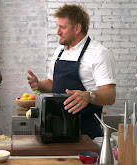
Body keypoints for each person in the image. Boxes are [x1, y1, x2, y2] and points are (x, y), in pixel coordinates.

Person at [27, 4, 116, 139]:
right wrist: (39, 84)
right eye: (57, 26)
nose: (57, 32)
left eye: (62, 27)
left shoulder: (99, 53)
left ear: (77, 28)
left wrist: (89, 95)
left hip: (85, 132)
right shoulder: (60, 52)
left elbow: (110, 95)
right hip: (56, 128)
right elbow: (53, 84)